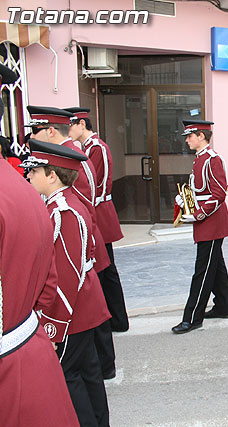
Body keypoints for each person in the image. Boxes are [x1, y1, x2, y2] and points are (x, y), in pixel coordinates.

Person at [0, 62, 80, 427]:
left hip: (20, 351)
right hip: (27, 351)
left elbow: (69, 268)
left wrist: (55, 325)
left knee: (85, 372)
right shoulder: (32, 196)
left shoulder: (61, 207)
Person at [21, 139, 111, 426]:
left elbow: (67, 275)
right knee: (88, 373)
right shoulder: (67, 203)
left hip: (72, 311)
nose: (28, 176)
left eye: (35, 171)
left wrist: (53, 322)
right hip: (83, 305)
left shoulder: (63, 211)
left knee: (69, 377)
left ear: (52, 175)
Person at [26, 105, 118, 380]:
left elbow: (90, 196)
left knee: (89, 314)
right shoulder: (67, 157)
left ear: (50, 130)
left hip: (81, 237)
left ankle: (107, 364)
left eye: (36, 131)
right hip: (81, 236)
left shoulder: (73, 157)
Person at [66, 107, 129, 333]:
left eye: (71, 125)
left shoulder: (96, 147)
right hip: (96, 210)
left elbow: (96, 187)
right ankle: (115, 318)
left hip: (99, 212)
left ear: (82, 124)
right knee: (104, 268)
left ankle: (117, 319)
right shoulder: (87, 147)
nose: (69, 130)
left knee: (106, 269)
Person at [171, 120, 228, 333]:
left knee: (202, 271)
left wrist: (198, 214)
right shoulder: (200, 159)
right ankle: (224, 306)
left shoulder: (212, 159)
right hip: (207, 221)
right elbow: (201, 189)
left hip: (211, 222)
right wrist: (184, 199)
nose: (187, 140)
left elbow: (219, 193)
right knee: (215, 266)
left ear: (201, 136)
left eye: (190, 136)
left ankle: (192, 317)